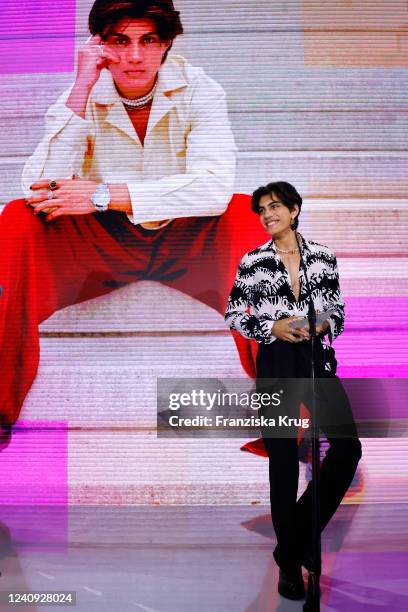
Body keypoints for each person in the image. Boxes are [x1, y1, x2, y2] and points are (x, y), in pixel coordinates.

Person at [0, 0, 266, 449]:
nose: (134, 56)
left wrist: (103, 194)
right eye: (119, 41)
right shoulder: (83, 93)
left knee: (253, 221)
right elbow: (38, 186)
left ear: (166, 44)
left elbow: (213, 189)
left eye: (148, 41)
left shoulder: (201, 90)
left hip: (188, 238)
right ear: (99, 45)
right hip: (101, 241)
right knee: (16, 221)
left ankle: (304, 423)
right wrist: (82, 85)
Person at [225, 181, 362, 600]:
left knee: (347, 448)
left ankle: (292, 544)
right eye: (261, 210)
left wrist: (322, 324)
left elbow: (336, 309)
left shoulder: (323, 256)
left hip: (317, 360)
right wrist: (272, 328)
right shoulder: (253, 261)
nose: (268, 215)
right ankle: (289, 569)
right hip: (277, 365)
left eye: (275, 207)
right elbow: (233, 314)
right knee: (282, 461)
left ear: (295, 209)